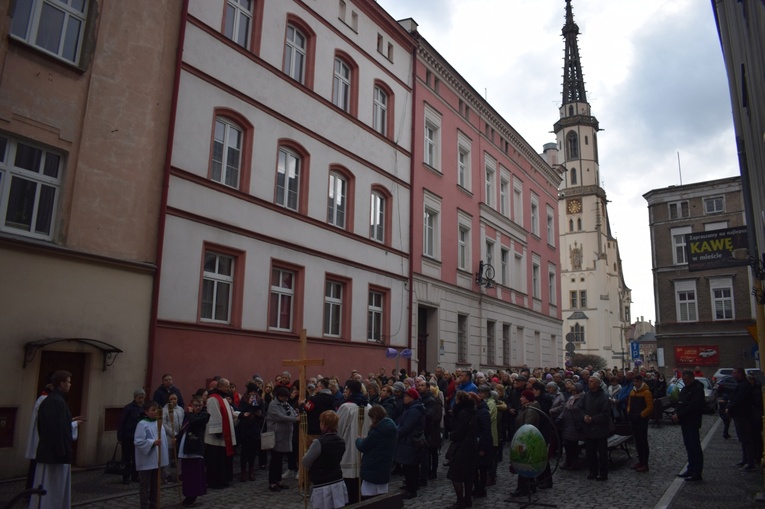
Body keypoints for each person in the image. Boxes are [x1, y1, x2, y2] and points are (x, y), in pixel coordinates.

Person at [29, 370, 82, 509]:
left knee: (57, 490)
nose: (70, 385)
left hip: (56, 453)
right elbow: (53, 429)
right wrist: (62, 452)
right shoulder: (54, 401)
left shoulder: (58, 400)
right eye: (69, 382)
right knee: (51, 490)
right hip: (53, 455)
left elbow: (59, 425)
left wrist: (70, 422)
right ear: (62, 383)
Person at [303, 410, 348, 509]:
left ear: (323, 424)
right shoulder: (341, 441)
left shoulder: (319, 442)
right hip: (337, 479)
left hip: (323, 482)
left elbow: (306, 461)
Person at [336, 379, 371, 504]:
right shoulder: (369, 406)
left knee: (349, 478)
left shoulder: (346, 407)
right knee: (359, 477)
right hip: (364, 445)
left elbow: (338, 427)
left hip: (349, 445)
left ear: (350, 390)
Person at [355, 404, 397, 500]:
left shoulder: (377, 432)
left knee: (369, 497)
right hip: (384, 465)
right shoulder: (390, 428)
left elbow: (362, 446)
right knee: (381, 496)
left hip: (373, 467)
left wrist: (358, 440)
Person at [134, 400, 169, 509]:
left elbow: (163, 440)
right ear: (146, 412)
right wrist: (152, 443)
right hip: (147, 460)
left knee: (155, 485)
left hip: (158, 461)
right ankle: (144, 506)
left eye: (157, 410)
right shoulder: (142, 424)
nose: (155, 412)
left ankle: (154, 505)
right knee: (145, 486)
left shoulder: (158, 423)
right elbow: (138, 441)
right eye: (153, 410)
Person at [203, 378, 237, 489]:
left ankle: (221, 479)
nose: (228, 389)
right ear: (221, 386)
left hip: (223, 436)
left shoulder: (223, 398)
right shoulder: (213, 399)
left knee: (221, 460)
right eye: (227, 386)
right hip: (216, 436)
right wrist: (217, 431)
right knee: (214, 461)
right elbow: (214, 415)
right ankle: (213, 481)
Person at [446, 391, 478, 509]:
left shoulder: (463, 413)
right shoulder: (472, 411)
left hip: (463, 446)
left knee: (456, 476)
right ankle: (468, 499)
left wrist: (452, 435)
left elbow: (460, 431)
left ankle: (461, 501)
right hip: (471, 445)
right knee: (468, 476)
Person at [579, 374, 613, 481]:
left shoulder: (604, 397)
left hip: (600, 429)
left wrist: (593, 419)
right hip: (588, 429)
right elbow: (579, 408)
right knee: (590, 452)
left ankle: (603, 473)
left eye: (591, 381)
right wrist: (583, 416)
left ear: (598, 384)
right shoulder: (586, 395)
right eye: (589, 381)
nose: (589, 383)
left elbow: (605, 414)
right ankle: (592, 471)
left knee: (602, 453)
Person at [266, 386, 300, 491]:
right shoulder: (273, 405)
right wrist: (294, 419)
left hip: (285, 436)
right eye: (285, 397)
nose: (287, 399)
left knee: (280, 460)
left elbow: (292, 412)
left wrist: (297, 413)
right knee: (275, 460)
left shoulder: (286, 404)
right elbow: (279, 417)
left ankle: (278, 480)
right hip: (277, 436)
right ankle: (272, 482)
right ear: (279, 396)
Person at [673, 370, 705, 481]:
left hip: (692, 421)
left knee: (694, 446)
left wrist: (680, 414)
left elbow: (693, 406)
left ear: (691, 378)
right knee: (688, 446)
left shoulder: (697, 389)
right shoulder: (686, 388)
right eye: (683, 379)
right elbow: (680, 402)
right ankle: (690, 468)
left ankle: (697, 471)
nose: (684, 381)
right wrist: (677, 413)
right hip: (685, 421)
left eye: (686, 379)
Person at [178, 395, 210, 507]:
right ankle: (187, 494)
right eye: (196, 405)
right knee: (187, 474)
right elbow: (184, 427)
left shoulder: (204, 415)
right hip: (186, 446)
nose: (198, 407)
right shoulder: (189, 415)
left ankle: (193, 495)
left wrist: (190, 413)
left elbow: (194, 422)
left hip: (196, 447)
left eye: (200, 405)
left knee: (194, 474)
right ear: (192, 404)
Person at [395, 387, 426, 500]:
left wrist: (396, 433)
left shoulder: (414, 410)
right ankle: (411, 486)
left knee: (410, 466)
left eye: (407, 396)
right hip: (408, 440)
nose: (404, 398)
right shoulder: (409, 408)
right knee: (410, 466)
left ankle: (411, 489)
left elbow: (407, 426)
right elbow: (401, 422)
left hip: (411, 441)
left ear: (412, 398)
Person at [726, 367, 757, 471]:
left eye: (734, 373)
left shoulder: (744, 385)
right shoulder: (741, 384)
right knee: (743, 438)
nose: (732, 375)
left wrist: (729, 407)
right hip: (739, 415)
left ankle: (750, 461)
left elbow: (739, 399)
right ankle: (745, 459)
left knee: (746, 439)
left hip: (743, 415)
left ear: (740, 374)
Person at [117, 389, 146, 485]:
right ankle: (126, 476)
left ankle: (135, 475)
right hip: (128, 437)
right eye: (139, 398)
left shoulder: (144, 408)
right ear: (135, 398)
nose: (141, 400)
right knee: (126, 458)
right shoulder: (128, 408)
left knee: (136, 458)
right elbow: (121, 422)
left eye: (142, 398)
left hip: (139, 438)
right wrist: (120, 437)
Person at [237, 382, 264, 481]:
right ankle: (243, 471)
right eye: (251, 391)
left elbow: (263, 414)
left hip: (254, 428)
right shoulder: (244, 399)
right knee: (244, 452)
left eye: (254, 391)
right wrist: (247, 406)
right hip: (245, 428)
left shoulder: (260, 400)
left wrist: (259, 414)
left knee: (253, 452)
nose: (253, 393)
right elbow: (239, 411)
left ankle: (251, 471)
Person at [626, 374, 653, 472]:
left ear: (641, 381)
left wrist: (641, 415)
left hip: (641, 420)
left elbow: (649, 407)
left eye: (637, 381)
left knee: (643, 442)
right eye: (634, 381)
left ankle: (645, 463)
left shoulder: (646, 392)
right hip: (634, 419)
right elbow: (629, 404)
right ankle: (640, 461)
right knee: (637, 442)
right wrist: (629, 411)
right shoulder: (633, 392)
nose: (635, 383)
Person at [161, 393, 184, 483]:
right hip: (169, 437)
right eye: (171, 399)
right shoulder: (164, 410)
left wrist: (180, 434)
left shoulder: (180, 409)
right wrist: (173, 434)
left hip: (179, 436)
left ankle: (180, 474)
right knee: (168, 456)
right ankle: (168, 475)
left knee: (179, 456)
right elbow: (164, 424)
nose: (173, 401)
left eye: (175, 399)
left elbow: (182, 422)